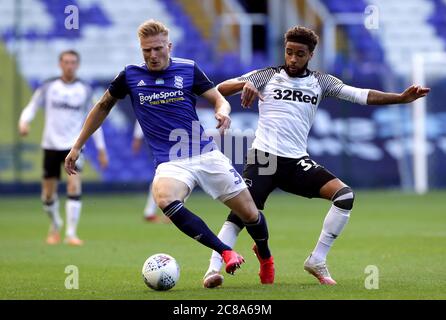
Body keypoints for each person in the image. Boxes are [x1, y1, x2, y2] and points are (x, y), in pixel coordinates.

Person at [203, 25, 430, 288]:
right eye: (289, 52)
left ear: (310, 55)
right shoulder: (267, 75)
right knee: (241, 214)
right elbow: (220, 88)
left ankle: (317, 259)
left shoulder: (321, 82)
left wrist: (400, 98)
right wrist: (248, 83)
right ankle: (212, 270)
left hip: (296, 161)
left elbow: (360, 95)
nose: (292, 59)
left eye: (299, 54)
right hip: (264, 159)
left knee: (344, 196)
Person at [64, 20, 274, 282]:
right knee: (164, 199)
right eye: (146, 51)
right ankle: (225, 251)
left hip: (205, 153)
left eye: (158, 49)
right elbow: (103, 106)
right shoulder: (129, 75)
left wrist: (223, 111)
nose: (152, 55)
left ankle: (266, 258)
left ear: (169, 46)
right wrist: (77, 145)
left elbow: (218, 98)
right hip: (171, 161)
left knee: (251, 214)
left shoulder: (188, 69)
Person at [18, 50, 109, 246]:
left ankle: (71, 233)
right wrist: (24, 122)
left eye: (73, 62)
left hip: (73, 147)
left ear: (78, 65)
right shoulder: (49, 86)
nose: (70, 65)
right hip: (51, 145)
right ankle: (55, 223)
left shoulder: (84, 90)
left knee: (74, 186)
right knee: (48, 195)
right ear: (60, 64)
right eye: (66, 62)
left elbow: (94, 120)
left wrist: (101, 149)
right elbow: (32, 107)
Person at [132, 122, 169, 223]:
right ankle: (169, 213)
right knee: (163, 175)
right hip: (161, 141)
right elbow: (141, 114)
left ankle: (152, 212)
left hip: (166, 139)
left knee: (162, 176)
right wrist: (137, 137)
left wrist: (137, 137)